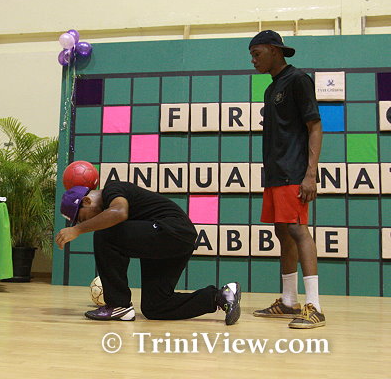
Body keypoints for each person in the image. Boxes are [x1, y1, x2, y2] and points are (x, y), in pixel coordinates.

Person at [55, 181, 241, 324]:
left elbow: (119, 212)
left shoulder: (112, 189)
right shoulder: (108, 204)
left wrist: (77, 230)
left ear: (86, 201)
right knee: (155, 306)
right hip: (169, 240)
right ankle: (222, 296)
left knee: (104, 233)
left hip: (171, 229)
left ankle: (118, 305)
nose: (84, 223)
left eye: (82, 218)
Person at [249, 30, 324, 328]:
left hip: (294, 171)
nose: (253, 61)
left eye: (257, 54)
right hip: (275, 174)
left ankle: (314, 306)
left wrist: (310, 173)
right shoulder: (271, 89)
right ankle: (289, 301)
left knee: (297, 230)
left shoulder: (298, 80)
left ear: (275, 51)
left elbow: (314, 126)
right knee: (282, 232)